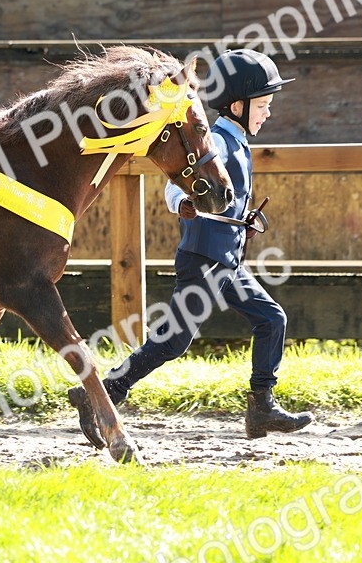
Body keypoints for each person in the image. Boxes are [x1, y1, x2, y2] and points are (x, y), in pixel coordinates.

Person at [71, 49, 314, 440]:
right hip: (204, 260)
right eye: (263, 105)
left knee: (272, 319)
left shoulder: (236, 140)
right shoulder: (214, 139)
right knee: (173, 341)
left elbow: (226, 198)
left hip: (227, 260)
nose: (268, 113)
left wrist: (245, 220)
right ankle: (104, 392)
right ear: (237, 105)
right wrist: (183, 202)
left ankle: (262, 408)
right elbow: (173, 185)